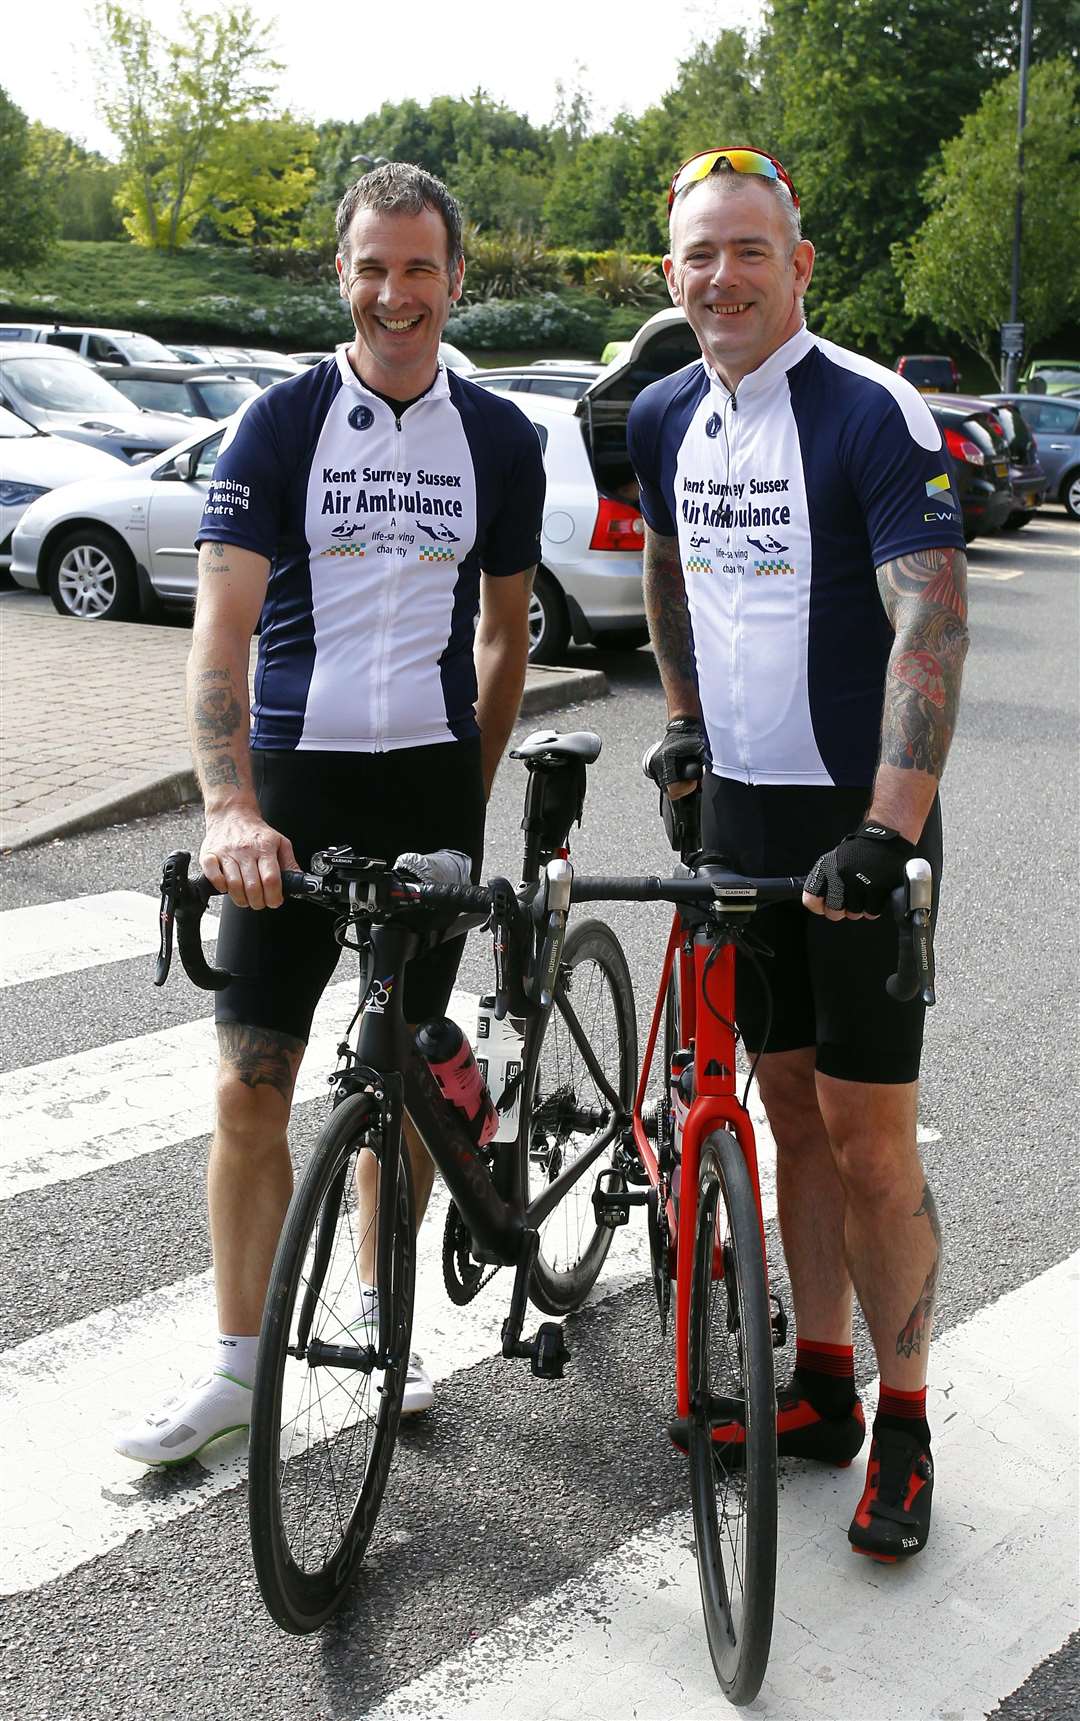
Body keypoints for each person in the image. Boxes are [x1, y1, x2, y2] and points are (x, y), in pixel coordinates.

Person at [115, 163, 545, 1465]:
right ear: (340, 274)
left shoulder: (501, 439)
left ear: (456, 280)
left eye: (421, 269)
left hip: (424, 786)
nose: (396, 293)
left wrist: (461, 808)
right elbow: (220, 639)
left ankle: (379, 1313)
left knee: (405, 1072)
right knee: (254, 1081)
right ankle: (241, 1364)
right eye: (373, 266)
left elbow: (505, 637)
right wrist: (231, 805)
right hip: (286, 795)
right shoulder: (279, 425)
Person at [628, 147, 969, 1563]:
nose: (723, 276)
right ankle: (819, 1382)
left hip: (856, 827)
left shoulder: (868, 411)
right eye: (699, 255)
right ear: (672, 276)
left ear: (800, 265)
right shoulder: (661, 415)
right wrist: (687, 720)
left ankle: (905, 1412)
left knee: (870, 1134)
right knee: (780, 1105)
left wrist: (890, 830)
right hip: (743, 823)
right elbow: (662, 558)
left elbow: (933, 615)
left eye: (749, 249)